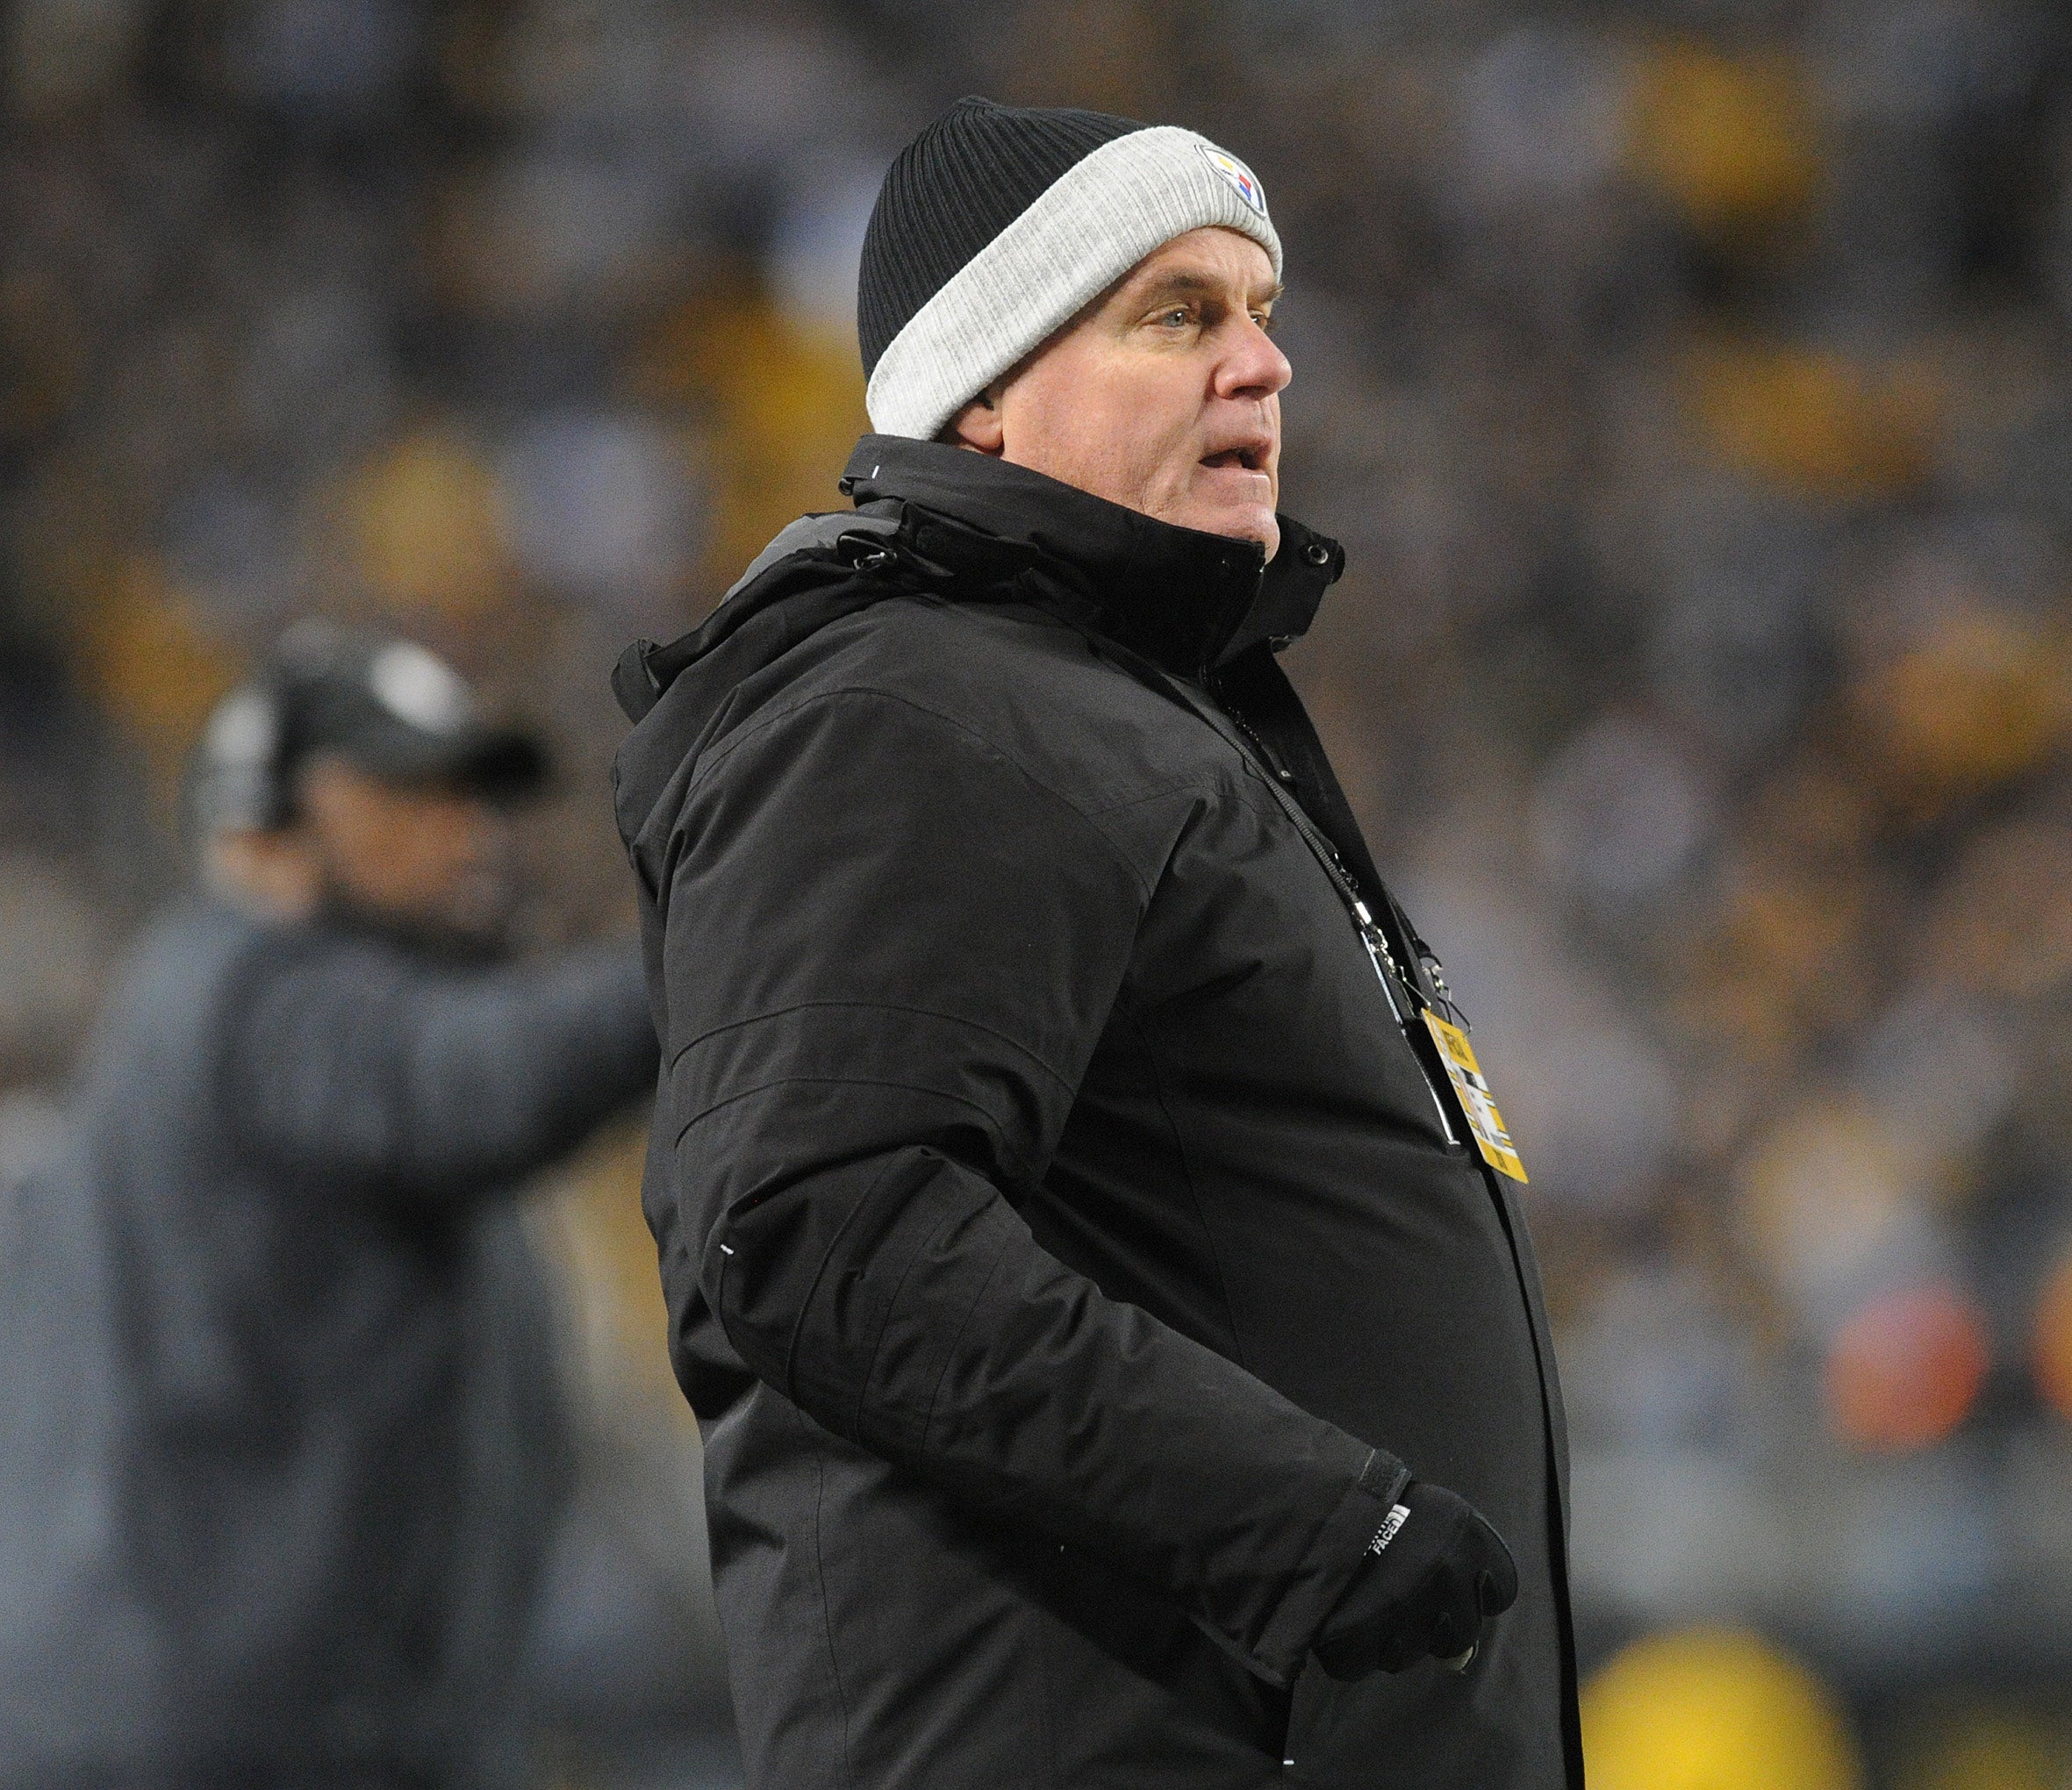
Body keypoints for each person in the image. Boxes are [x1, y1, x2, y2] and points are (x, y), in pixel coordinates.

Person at [612, 97, 1578, 1787]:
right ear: (982, 389)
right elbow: (819, 1227)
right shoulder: (917, 703)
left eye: (1265, 314)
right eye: (1178, 314)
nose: (1265, 365)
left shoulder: (1118, 722)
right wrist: (1320, 1528)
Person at [0, 623, 660, 1789]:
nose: (466, 832)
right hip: (223, 1747)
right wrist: (732, 945)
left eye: (473, 795)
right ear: (264, 824)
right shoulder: (240, 989)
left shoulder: (285, 1046)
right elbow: (480, 1080)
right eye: (404, 794)